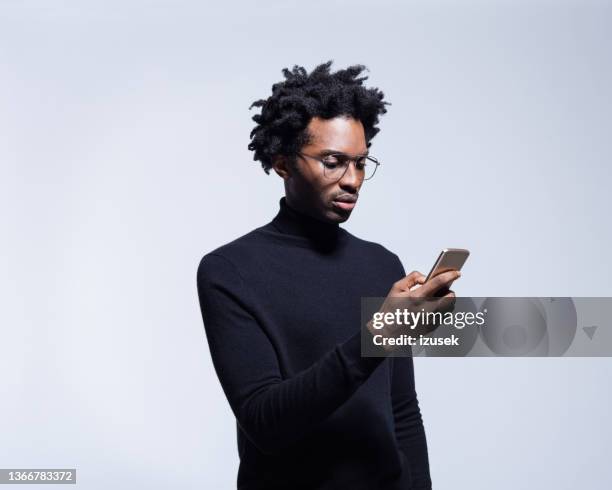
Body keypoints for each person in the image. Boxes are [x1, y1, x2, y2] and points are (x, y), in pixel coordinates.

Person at [196, 61, 458, 490]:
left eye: (361, 162)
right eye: (333, 162)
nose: (352, 180)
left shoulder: (381, 265)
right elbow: (266, 423)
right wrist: (377, 336)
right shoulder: (229, 270)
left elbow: (402, 412)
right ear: (283, 163)